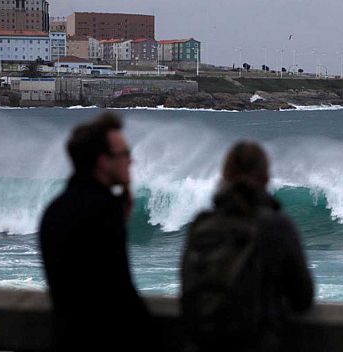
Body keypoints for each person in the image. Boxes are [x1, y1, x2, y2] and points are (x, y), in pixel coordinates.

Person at [39, 113, 160, 351]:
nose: (131, 161)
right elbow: (118, 294)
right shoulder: (103, 211)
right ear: (103, 162)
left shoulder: (54, 210)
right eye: (124, 154)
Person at [181, 141, 314, 352]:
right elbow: (302, 299)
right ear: (266, 178)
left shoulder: (201, 224)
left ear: (224, 176)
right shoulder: (277, 225)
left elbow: (188, 293)